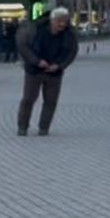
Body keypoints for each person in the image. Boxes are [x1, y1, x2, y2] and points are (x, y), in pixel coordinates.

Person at [16, 7, 79, 136]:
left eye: (64, 21)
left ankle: (44, 128)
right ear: (52, 20)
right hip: (34, 70)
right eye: (59, 21)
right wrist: (37, 61)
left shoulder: (69, 35)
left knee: (51, 101)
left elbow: (72, 52)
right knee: (28, 99)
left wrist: (59, 65)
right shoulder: (35, 30)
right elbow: (23, 46)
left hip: (54, 72)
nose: (61, 24)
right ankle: (22, 126)